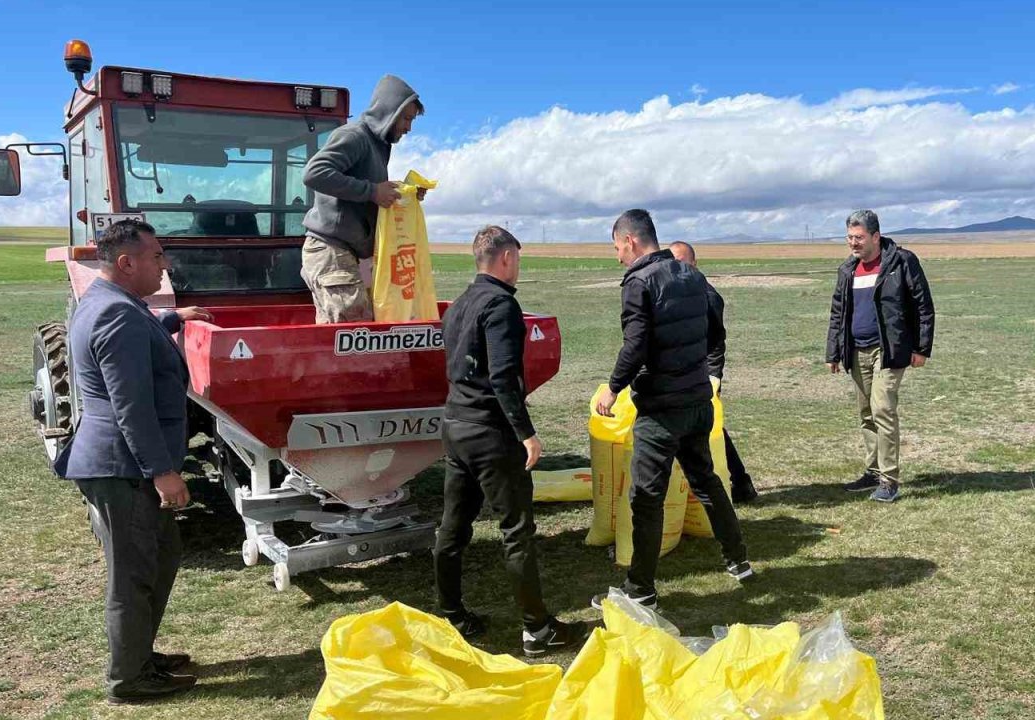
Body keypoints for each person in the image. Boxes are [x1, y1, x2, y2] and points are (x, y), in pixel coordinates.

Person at [53, 220, 212, 704]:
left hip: (122, 463)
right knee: (133, 573)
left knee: (163, 556)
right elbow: (131, 406)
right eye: (157, 257)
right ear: (127, 262)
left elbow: (136, 338)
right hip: (124, 467)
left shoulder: (108, 304)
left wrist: (173, 317)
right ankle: (128, 679)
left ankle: (140, 654)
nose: (164, 266)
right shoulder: (117, 315)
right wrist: (162, 472)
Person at [434, 226, 588, 659]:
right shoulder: (501, 305)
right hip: (488, 433)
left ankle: (451, 614)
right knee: (517, 531)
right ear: (505, 258)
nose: (519, 267)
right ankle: (538, 631)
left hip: (454, 425)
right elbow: (503, 378)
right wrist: (526, 433)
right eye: (517, 259)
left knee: (453, 527)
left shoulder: (459, 304)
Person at [593, 210, 752, 611]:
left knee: (646, 497)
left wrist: (613, 389)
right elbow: (714, 333)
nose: (617, 257)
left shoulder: (639, 281)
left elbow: (636, 345)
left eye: (616, 248)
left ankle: (640, 589)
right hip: (697, 401)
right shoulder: (692, 276)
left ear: (630, 240)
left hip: (661, 410)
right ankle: (739, 561)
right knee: (708, 482)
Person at [825, 210, 935, 503]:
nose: (853, 243)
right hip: (856, 350)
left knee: (882, 410)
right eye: (849, 237)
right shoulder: (847, 269)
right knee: (866, 414)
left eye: (859, 237)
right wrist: (833, 351)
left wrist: (921, 348)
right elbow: (838, 312)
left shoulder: (901, 262)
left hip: (888, 350)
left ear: (875, 236)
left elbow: (923, 304)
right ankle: (873, 472)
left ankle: (889, 480)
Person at [300, 74, 427, 323]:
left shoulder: (378, 145)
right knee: (355, 331)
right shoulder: (355, 136)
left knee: (339, 337)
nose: (408, 128)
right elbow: (314, 173)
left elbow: (370, 189)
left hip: (346, 253)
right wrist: (372, 191)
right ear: (390, 110)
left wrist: (404, 194)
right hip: (331, 249)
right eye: (406, 118)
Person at [667, 240, 758, 503]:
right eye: (673, 264)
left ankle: (736, 483)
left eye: (683, 263)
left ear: (694, 264)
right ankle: (738, 483)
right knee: (709, 427)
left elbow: (717, 341)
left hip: (703, 374)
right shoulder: (675, 292)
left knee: (708, 427)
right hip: (682, 372)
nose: (678, 269)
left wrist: (714, 376)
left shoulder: (708, 297)